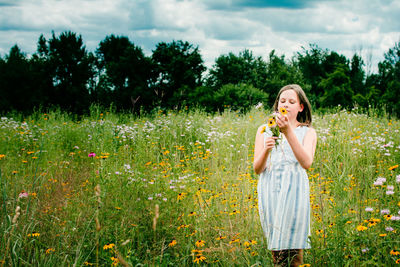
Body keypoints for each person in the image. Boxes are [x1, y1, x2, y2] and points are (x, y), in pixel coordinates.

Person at [253, 84, 317, 266]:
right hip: (270, 190)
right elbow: (258, 169)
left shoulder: (308, 132)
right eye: (282, 101)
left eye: (291, 101)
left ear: (301, 107)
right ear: (277, 105)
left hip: (295, 192)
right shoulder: (264, 130)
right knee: (277, 254)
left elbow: (306, 163)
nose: (286, 105)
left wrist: (288, 131)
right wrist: (266, 149)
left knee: (295, 253)